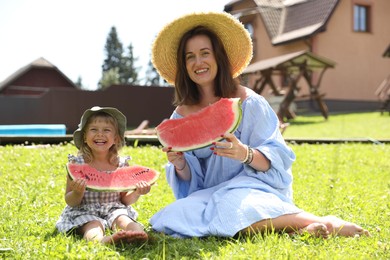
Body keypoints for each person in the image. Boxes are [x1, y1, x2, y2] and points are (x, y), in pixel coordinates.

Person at [149, 12, 370, 239]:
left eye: (205, 53)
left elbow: (276, 163)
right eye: (190, 57)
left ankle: (324, 222)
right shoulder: (180, 117)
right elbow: (192, 184)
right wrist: (180, 165)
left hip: (253, 188)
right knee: (170, 217)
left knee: (231, 207)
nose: (198, 62)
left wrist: (244, 153)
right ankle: (296, 229)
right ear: (184, 65)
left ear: (219, 57)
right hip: (208, 194)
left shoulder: (250, 103)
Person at [56, 106, 150, 244]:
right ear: (85, 137)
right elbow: (70, 201)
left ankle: (139, 234)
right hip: (85, 211)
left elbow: (125, 200)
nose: (100, 134)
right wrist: (77, 192)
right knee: (93, 225)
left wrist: (137, 192)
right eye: (94, 130)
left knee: (124, 219)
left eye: (106, 130)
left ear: (116, 139)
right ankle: (102, 241)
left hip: (114, 208)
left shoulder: (121, 165)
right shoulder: (77, 165)